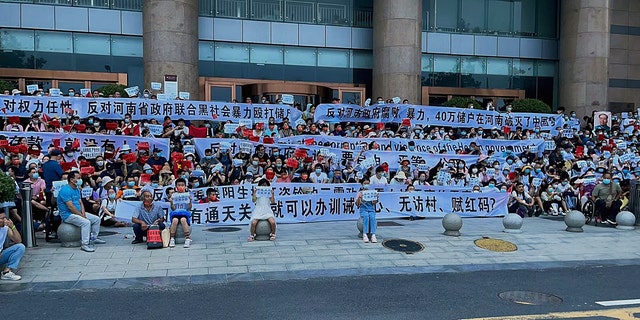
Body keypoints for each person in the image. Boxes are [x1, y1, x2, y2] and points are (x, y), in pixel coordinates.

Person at [57, 171, 105, 252]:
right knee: (86, 223)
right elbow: (70, 207)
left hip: (78, 213)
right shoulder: (65, 190)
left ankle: (93, 238)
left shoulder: (76, 189)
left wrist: (83, 213)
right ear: (72, 179)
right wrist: (81, 215)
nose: (80, 180)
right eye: (78, 178)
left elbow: (80, 202)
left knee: (96, 219)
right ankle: (85, 244)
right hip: (68, 215)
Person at [0, 211, 25, 281]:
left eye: (5, 218)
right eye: (2, 218)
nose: (5, 220)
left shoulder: (5, 228)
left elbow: (18, 241)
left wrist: (13, 227)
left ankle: (6, 272)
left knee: (20, 247)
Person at [168, 178, 192, 248]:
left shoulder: (187, 195)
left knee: (183, 220)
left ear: (185, 186)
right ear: (176, 187)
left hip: (184, 213)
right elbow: (173, 208)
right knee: (175, 220)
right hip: (176, 213)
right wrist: (171, 202)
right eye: (179, 185)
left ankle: (187, 238)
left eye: (182, 185)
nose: (181, 186)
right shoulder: (174, 195)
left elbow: (189, 208)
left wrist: (190, 201)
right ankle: (172, 238)